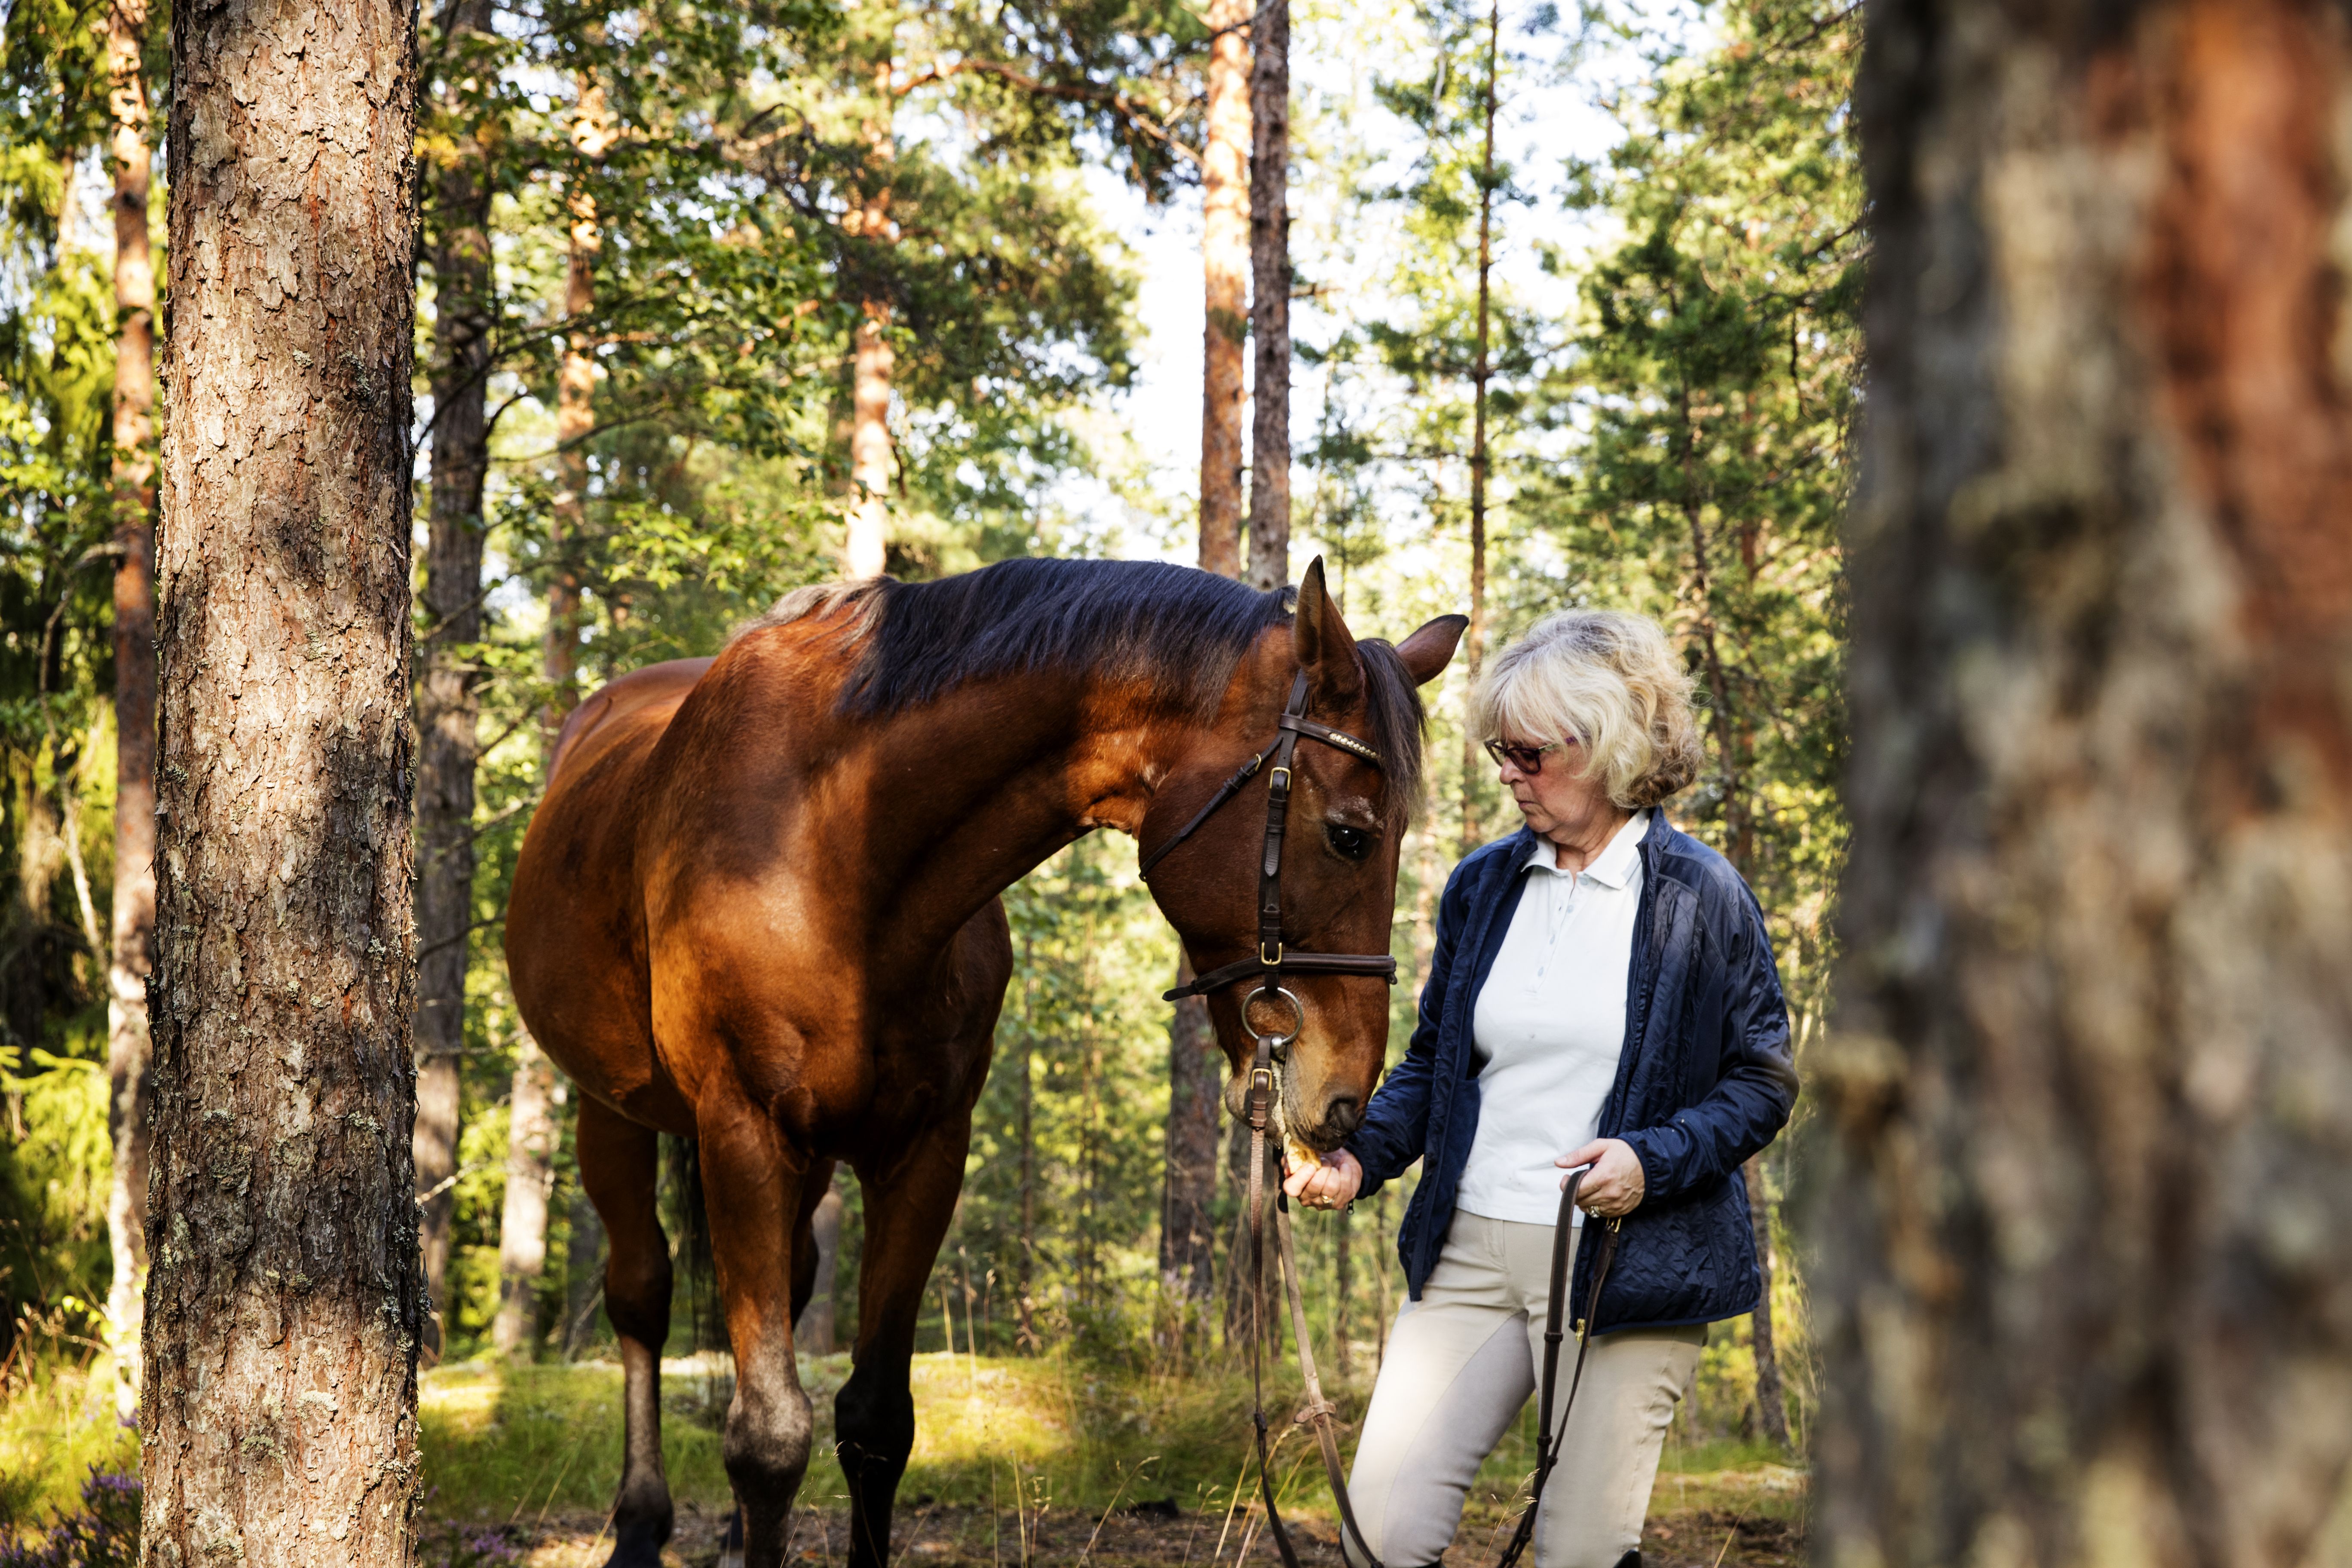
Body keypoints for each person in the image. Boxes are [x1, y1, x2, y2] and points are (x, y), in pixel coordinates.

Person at [1283, 608, 1798, 1568]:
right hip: (1470, 1252)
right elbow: (1438, 1062)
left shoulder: (1701, 894)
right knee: (1378, 1539)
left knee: (1581, 1554)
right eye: (1496, 751)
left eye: (1527, 751)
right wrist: (1358, 1160)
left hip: (1627, 1272)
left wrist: (1651, 1159)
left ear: (1603, 744)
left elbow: (1763, 1079)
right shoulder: (1483, 885)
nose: (1508, 772)